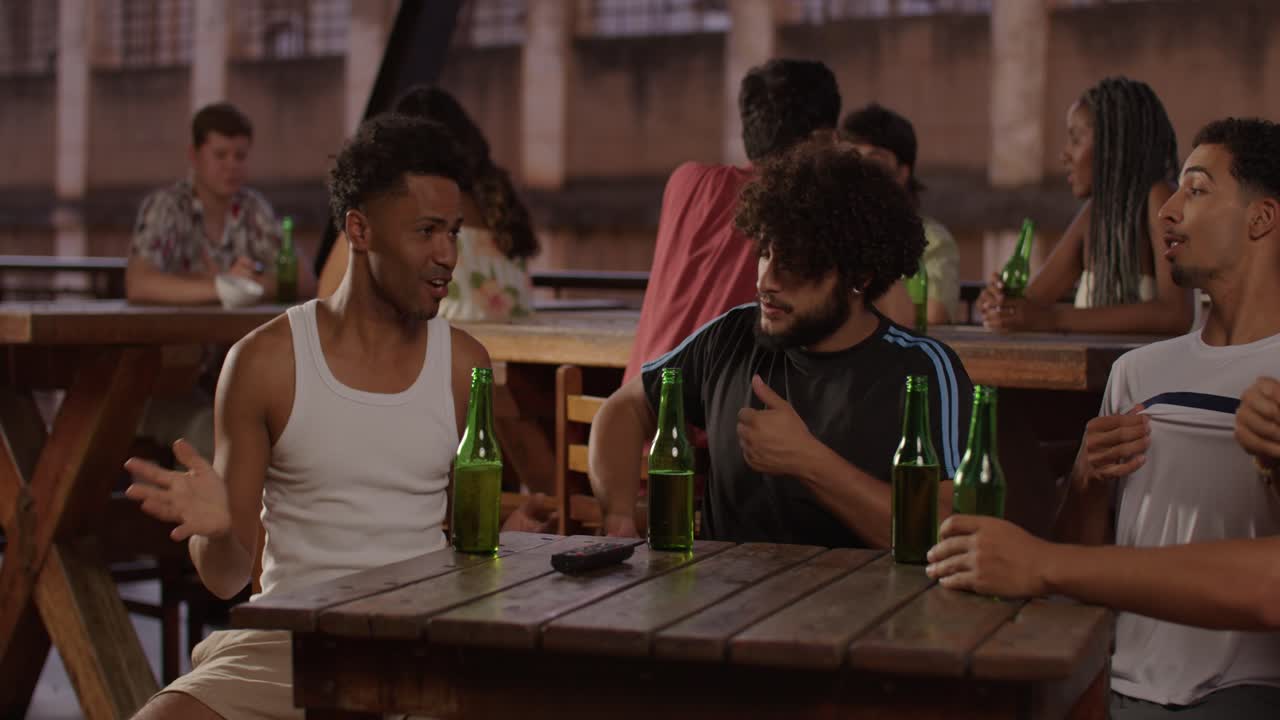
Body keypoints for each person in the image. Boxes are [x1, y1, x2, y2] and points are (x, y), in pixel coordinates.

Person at [123, 114, 553, 720]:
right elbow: (223, 580)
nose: (447, 256)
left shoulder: (463, 365)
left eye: (453, 232)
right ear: (359, 229)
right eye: (427, 230)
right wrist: (218, 531)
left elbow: (466, 549)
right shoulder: (265, 362)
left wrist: (505, 544)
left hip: (423, 647)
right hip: (286, 649)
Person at [930, 118, 1280, 718]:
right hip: (1113, 681)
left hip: (1244, 690)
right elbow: (1080, 556)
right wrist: (1088, 482)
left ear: (1260, 219)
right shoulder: (1136, 373)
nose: (1168, 211)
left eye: (1195, 190)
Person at [591, 140, 972, 547]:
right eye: (765, 253)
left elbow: (948, 531)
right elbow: (626, 409)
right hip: (726, 602)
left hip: (866, 606)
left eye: (792, 263)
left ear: (859, 276)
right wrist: (619, 517)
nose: (766, 281)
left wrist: (810, 463)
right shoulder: (732, 336)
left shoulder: (922, 370)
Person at [622, 58, 842, 383]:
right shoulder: (807, 204)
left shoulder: (685, 182)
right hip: (711, 426)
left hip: (635, 412)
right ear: (824, 138)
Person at [979, 76, 1193, 335]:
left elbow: (1176, 314)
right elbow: (1033, 304)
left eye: (1076, 139)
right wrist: (1002, 306)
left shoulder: (1159, 198)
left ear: (1113, 144)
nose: (1065, 154)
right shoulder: (1094, 214)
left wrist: (1053, 319)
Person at [317, 87, 540, 321]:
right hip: (514, 353)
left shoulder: (392, 215)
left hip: (443, 351)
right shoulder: (501, 213)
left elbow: (327, 302)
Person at [126, 102, 315, 304]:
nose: (231, 166)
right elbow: (138, 284)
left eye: (240, 156)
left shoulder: (251, 207)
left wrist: (246, 285)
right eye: (220, 155)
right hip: (174, 331)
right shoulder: (166, 206)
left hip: (240, 332)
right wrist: (224, 286)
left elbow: (304, 281)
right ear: (194, 156)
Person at [841, 103, 960, 325]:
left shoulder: (932, 239)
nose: (861, 170)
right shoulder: (831, 229)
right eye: (852, 158)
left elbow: (934, 317)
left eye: (874, 160)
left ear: (903, 173)